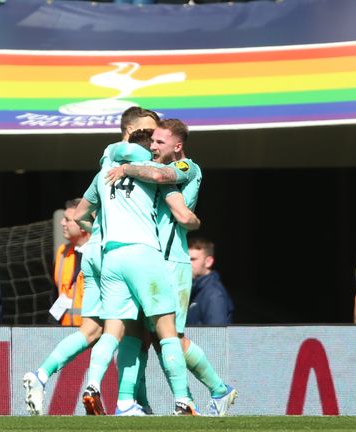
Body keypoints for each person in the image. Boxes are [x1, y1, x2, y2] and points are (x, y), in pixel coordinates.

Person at [22, 106, 159, 416]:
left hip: (95, 253)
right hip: (119, 255)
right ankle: (121, 398)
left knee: (90, 331)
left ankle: (41, 375)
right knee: (131, 331)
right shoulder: (143, 165)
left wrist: (97, 230)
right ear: (131, 132)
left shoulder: (105, 167)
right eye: (149, 132)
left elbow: (81, 213)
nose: (154, 140)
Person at [106, 119, 236, 416]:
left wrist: (124, 167)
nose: (152, 146)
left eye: (160, 142)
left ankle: (217, 390)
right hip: (145, 261)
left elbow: (159, 174)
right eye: (151, 141)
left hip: (171, 262)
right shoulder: (148, 172)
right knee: (138, 336)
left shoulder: (187, 168)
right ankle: (137, 403)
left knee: (171, 337)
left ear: (177, 146)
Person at [74, 128, 200, 416]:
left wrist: (101, 233)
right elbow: (180, 212)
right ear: (147, 151)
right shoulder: (154, 170)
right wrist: (193, 222)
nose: (156, 149)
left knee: (113, 330)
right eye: (153, 144)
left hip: (111, 257)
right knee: (167, 331)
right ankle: (183, 401)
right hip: (144, 253)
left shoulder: (104, 174)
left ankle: (97, 388)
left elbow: (80, 214)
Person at [53, 198, 91, 327]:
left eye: (68, 220)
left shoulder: (101, 255)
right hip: (63, 330)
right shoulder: (62, 253)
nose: (62, 222)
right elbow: (56, 295)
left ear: (83, 225)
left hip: (93, 334)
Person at [187, 237, 235, 326]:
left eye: (193, 259)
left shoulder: (214, 295)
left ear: (208, 262)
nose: (188, 263)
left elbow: (216, 337)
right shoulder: (195, 290)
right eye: (186, 259)